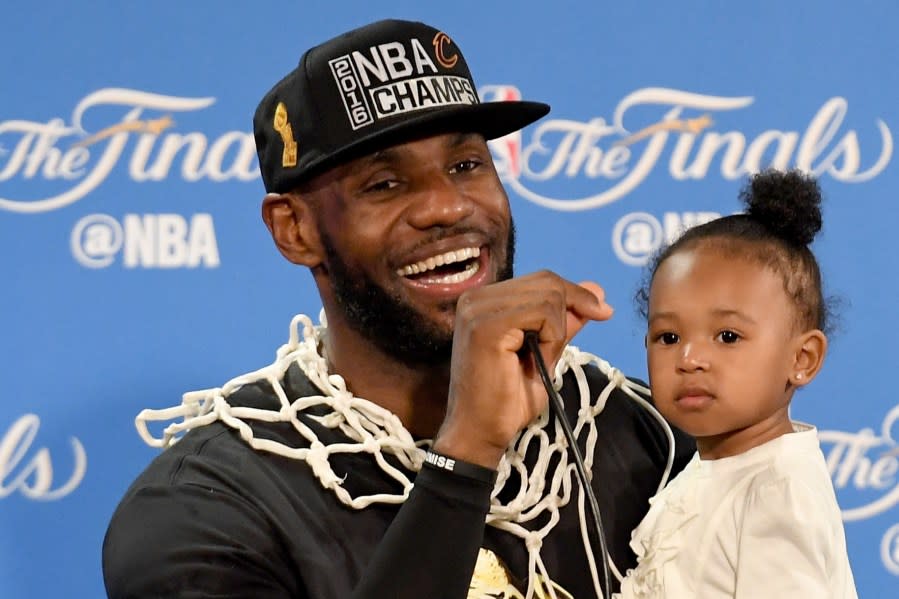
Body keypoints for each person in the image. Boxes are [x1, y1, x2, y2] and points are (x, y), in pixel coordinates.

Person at [102, 19, 694, 599]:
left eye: (466, 166)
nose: (446, 206)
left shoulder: (644, 434)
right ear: (295, 229)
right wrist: (467, 450)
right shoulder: (203, 509)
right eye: (383, 184)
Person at [615, 169, 858, 598]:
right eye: (668, 338)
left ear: (802, 359)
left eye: (728, 337)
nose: (689, 359)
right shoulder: (710, 469)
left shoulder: (778, 491)